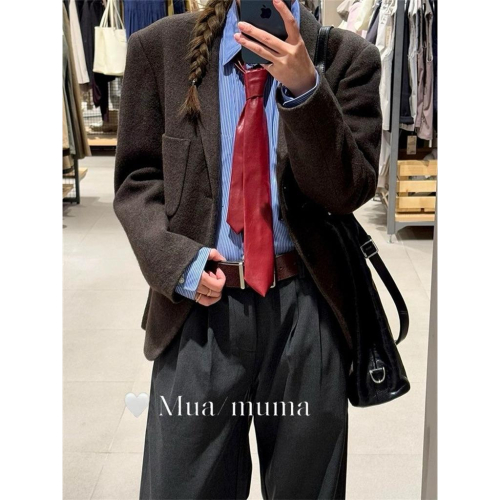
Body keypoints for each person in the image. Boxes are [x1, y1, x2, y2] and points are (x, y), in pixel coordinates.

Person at [113, 0, 382, 498]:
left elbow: (347, 191)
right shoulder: (161, 49)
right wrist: (177, 263)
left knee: (309, 489)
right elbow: (137, 180)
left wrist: (307, 92)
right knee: (183, 486)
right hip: (197, 313)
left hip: (306, 312)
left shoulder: (348, 59)